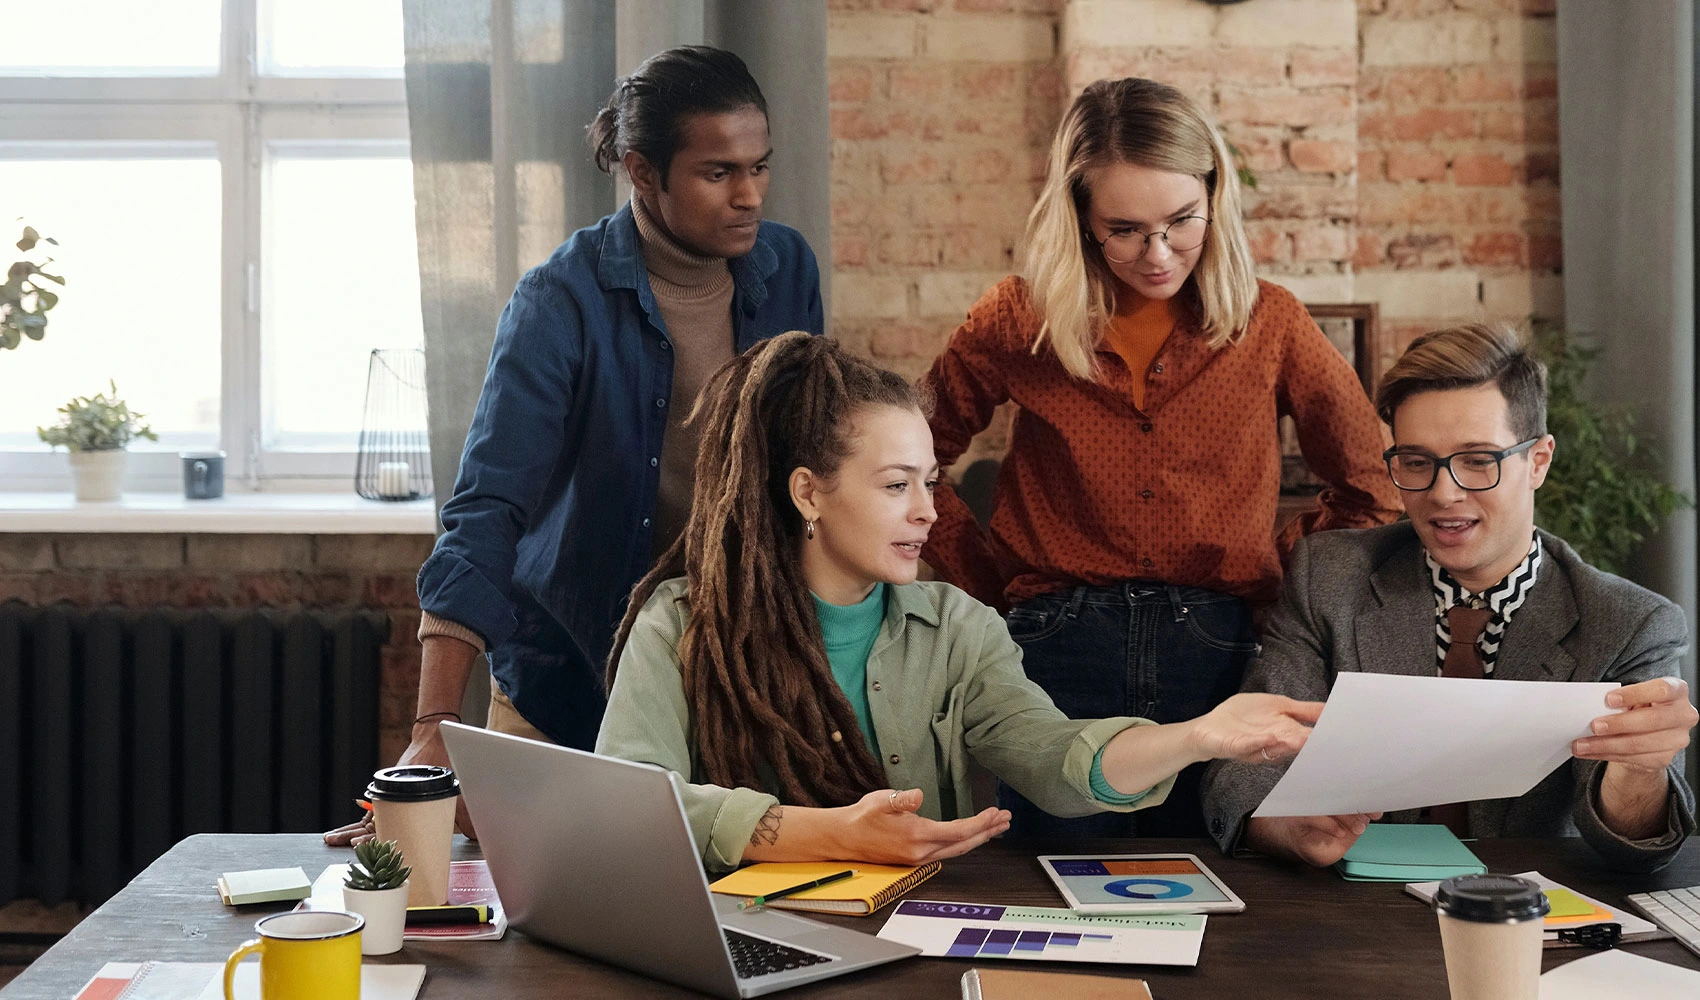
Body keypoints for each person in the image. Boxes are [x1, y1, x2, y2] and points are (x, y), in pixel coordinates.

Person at [326, 46, 822, 846]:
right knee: (543, 944)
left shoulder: (787, 267)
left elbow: (807, 468)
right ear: (641, 171)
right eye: (719, 172)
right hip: (570, 681)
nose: (750, 196)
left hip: (733, 684)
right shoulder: (559, 299)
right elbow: (488, 508)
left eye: (760, 167)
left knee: (719, 930)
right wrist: (433, 727)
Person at [595, 333, 1325, 871]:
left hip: (916, 942)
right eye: (894, 485)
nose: (928, 512)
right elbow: (629, 806)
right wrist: (824, 834)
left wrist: (1198, 736)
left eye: (930, 480)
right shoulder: (682, 624)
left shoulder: (959, 628)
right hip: (741, 947)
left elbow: (1052, 757)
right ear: (808, 490)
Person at [921, 77, 1401, 840]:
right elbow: (915, 460)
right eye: (1125, 229)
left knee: (1216, 883)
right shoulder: (1018, 320)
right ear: (1080, 216)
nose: (1158, 253)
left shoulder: (1269, 322)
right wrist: (986, 588)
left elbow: (1374, 488)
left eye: (1182, 221)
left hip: (1214, 648)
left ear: (1215, 193)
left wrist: (1273, 565)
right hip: (1054, 647)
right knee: (1053, 884)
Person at [1202, 323, 1698, 873]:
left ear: (1538, 461)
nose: (1444, 493)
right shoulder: (1330, 575)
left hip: (1529, 916)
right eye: (1416, 462)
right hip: (1354, 913)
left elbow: (1634, 845)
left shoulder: (1630, 622)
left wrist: (1641, 770)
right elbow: (1244, 762)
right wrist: (1282, 824)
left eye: (1478, 460)